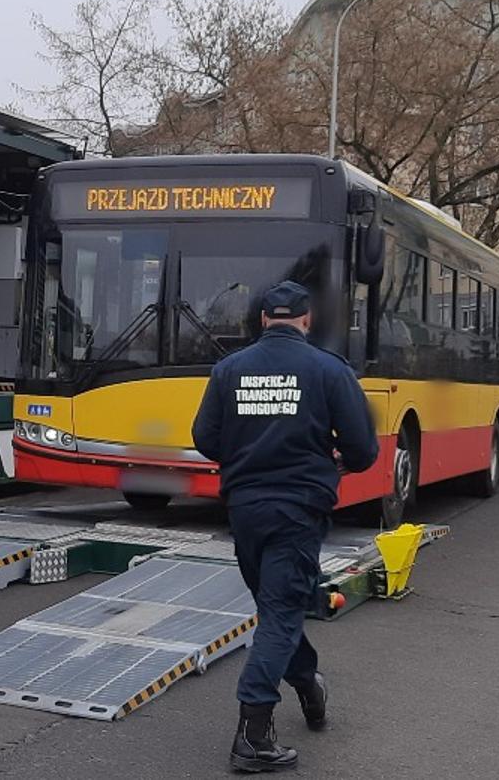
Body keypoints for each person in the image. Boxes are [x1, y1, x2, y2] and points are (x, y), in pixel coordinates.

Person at [192, 280, 379, 773]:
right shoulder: (328, 370)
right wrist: (334, 455)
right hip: (298, 509)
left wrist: (247, 452)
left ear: (261, 321)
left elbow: (204, 437)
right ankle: (252, 736)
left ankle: (307, 683)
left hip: (245, 510)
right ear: (307, 320)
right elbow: (364, 448)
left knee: (276, 607)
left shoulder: (229, 369)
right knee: (280, 612)